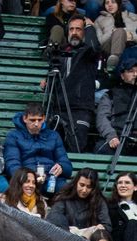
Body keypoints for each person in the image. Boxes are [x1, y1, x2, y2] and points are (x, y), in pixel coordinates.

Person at [44, 13, 100, 151]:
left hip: (80, 110)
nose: (74, 33)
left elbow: (94, 47)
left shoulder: (88, 54)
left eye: (79, 29)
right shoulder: (61, 53)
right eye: (71, 29)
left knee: (76, 148)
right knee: (50, 149)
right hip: (57, 108)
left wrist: (90, 27)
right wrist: (47, 81)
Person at [3, 101, 73, 192]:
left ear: (44, 118)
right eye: (32, 120)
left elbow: (67, 165)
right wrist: (28, 176)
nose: (36, 124)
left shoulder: (54, 136)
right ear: (25, 118)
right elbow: (12, 163)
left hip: (51, 180)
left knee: (68, 191)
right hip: (25, 180)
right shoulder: (13, 136)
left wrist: (62, 167)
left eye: (39, 120)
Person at [46, 166, 110, 235]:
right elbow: (53, 217)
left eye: (89, 187)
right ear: (76, 183)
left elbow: (107, 226)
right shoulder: (64, 197)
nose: (84, 190)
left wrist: (96, 229)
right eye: (82, 185)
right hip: (65, 237)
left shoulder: (99, 201)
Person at [95, 49, 137, 153]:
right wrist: (111, 136)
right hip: (117, 137)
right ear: (122, 76)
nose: (135, 74)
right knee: (101, 149)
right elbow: (102, 118)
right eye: (131, 71)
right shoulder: (110, 95)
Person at [95, 0, 137, 70]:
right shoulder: (99, 20)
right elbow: (101, 41)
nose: (110, 5)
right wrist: (113, 33)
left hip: (130, 45)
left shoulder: (132, 16)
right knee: (120, 31)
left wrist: (132, 36)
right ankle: (113, 63)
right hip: (109, 46)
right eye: (107, 3)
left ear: (118, 3)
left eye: (113, 2)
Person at [108, 170, 137, 241]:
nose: (123, 185)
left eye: (127, 182)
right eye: (120, 183)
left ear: (135, 187)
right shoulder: (110, 207)